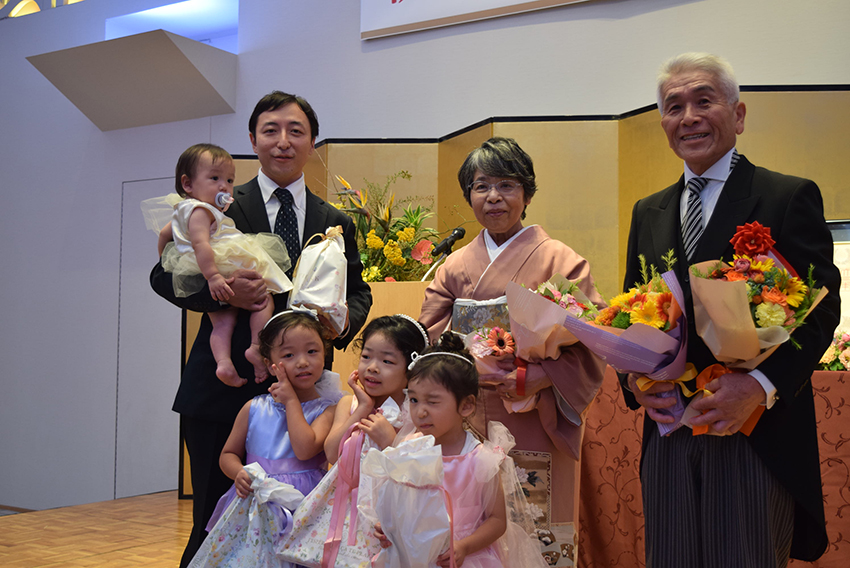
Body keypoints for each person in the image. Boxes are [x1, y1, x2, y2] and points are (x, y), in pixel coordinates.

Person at [622, 52, 840, 567]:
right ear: (664, 125)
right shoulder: (647, 210)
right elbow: (631, 309)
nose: (689, 117)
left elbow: (820, 313)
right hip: (670, 431)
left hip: (754, 435)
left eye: (704, 100)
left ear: (738, 115)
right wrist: (634, 384)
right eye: (674, 107)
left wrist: (758, 388)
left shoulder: (786, 196)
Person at [149, 91, 372, 567]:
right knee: (213, 519)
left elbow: (358, 289)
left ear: (313, 142)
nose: (283, 141)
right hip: (221, 389)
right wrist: (224, 292)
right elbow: (162, 273)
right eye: (271, 131)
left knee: (305, 520)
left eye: (297, 131)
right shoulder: (216, 200)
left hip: (308, 400)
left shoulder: (335, 221)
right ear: (253, 139)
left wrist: (343, 318)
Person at [418, 137, 606, 564]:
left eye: (507, 185)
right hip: (465, 417)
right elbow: (427, 337)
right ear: (469, 195)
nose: (494, 197)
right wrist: (461, 370)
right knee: (469, 526)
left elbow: (593, 337)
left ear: (527, 192)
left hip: (535, 412)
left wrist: (542, 376)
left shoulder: (561, 260)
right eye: (481, 186)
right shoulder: (453, 266)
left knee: (538, 527)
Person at [375, 332, 549, 568]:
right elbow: (400, 503)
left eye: (432, 401)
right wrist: (390, 528)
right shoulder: (408, 449)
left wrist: (465, 546)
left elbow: (498, 521)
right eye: (414, 400)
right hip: (413, 556)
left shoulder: (481, 459)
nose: (420, 411)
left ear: (466, 405)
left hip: (465, 557)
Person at [187, 310, 341, 568]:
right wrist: (238, 473)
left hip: (304, 506)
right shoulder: (254, 408)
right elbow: (227, 455)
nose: (302, 362)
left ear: (324, 354)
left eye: (312, 351)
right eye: (289, 355)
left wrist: (291, 400)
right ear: (271, 365)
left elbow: (305, 450)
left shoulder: (328, 409)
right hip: (255, 507)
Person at [276, 314, 429, 566]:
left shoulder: (415, 414)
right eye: (366, 356)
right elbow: (332, 454)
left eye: (387, 361)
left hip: (389, 510)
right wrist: (362, 408)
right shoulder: (349, 403)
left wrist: (390, 441)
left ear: (411, 369)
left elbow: (420, 473)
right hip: (345, 509)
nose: (372, 367)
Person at [156, 143, 292, 385]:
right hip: (219, 265)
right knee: (262, 300)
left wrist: (169, 260)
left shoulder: (181, 211)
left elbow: (164, 237)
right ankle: (255, 345)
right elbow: (200, 244)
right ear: (188, 184)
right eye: (215, 178)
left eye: (229, 180)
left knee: (221, 322)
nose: (224, 186)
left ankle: (224, 363)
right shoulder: (201, 210)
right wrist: (213, 278)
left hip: (205, 266)